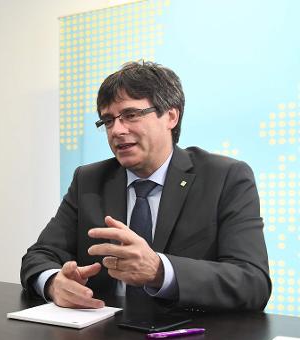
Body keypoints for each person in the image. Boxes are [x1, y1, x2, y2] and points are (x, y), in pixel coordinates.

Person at [21, 61, 271, 312]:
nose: (116, 130)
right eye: (108, 121)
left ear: (171, 116)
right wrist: (54, 283)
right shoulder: (89, 180)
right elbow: (38, 256)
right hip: (103, 337)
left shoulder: (225, 177)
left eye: (131, 115)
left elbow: (253, 282)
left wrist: (160, 271)